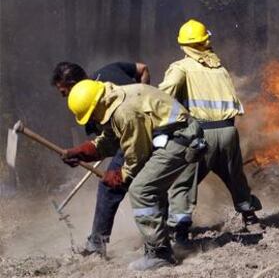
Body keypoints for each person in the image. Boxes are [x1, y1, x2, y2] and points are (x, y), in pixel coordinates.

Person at [63, 80, 206, 270]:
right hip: (172, 137)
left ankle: (159, 253)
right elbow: (111, 139)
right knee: (151, 188)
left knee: (141, 189)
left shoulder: (124, 112)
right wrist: (82, 152)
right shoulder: (113, 100)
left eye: (91, 116)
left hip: (179, 139)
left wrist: (119, 177)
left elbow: (137, 155)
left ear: (96, 106)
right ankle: (160, 246)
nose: (93, 121)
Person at [159, 19, 263, 243]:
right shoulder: (220, 69)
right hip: (228, 133)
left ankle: (181, 230)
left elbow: (162, 97)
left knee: (184, 181)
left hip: (200, 134)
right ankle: (250, 217)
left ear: (184, 45)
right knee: (234, 176)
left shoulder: (181, 68)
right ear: (206, 41)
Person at [51, 61, 150, 256]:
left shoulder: (92, 101)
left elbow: (119, 139)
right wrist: (82, 152)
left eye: (64, 93)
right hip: (141, 129)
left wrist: (119, 175)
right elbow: (142, 68)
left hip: (139, 134)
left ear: (73, 84)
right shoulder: (108, 71)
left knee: (111, 186)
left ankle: (96, 244)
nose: (65, 99)